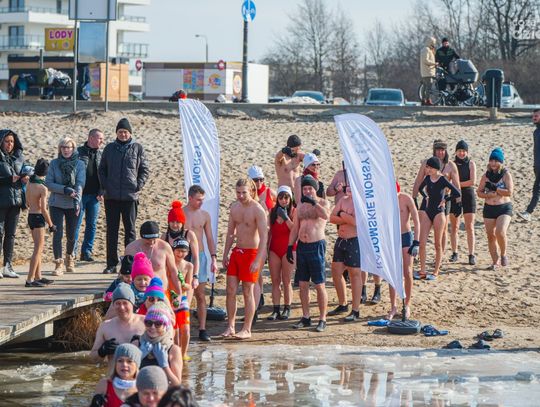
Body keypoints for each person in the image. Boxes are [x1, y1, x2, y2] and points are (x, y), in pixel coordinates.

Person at [99, 118, 150, 274]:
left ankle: (129, 264)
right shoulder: (109, 148)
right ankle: (111, 264)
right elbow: (102, 169)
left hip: (130, 197)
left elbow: (144, 170)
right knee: (112, 231)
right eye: (120, 132)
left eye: (125, 132)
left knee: (130, 231)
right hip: (111, 197)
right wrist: (106, 186)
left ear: (130, 133)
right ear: (117, 133)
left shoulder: (137, 148)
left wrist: (138, 185)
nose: (123, 134)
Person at [222, 178, 268, 339]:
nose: (240, 196)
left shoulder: (258, 209)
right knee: (230, 290)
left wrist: (258, 260)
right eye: (238, 192)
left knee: (248, 290)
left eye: (244, 193)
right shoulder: (234, 207)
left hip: (251, 253)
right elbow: (230, 233)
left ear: (252, 191)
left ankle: (247, 329)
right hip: (237, 252)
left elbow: (264, 237)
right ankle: (231, 326)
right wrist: (225, 254)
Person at [287, 175, 331, 332]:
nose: (307, 191)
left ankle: (322, 318)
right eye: (304, 188)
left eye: (309, 188)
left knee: (319, 284)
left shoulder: (323, 203)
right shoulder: (300, 205)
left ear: (315, 189)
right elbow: (295, 228)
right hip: (302, 247)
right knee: (303, 284)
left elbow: (326, 216)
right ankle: (306, 317)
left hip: (316, 245)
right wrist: (290, 246)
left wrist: (313, 202)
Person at [182, 185, 218, 342]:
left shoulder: (204, 215)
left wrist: (213, 258)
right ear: (190, 198)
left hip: (200, 256)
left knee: (200, 294)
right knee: (183, 294)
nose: (201, 203)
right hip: (183, 256)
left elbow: (209, 238)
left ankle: (202, 329)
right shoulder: (181, 214)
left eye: (202, 200)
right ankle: (184, 327)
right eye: (198, 200)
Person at [45, 137, 86, 275]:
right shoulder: (54, 163)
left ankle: (70, 258)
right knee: (57, 234)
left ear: (73, 149)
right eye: (63, 147)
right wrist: (64, 189)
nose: (66, 150)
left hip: (73, 203)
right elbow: (48, 183)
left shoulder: (80, 164)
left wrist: (77, 201)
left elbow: (80, 184)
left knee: (71, 235)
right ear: (60, 149)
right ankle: (58, 263)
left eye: (68, 147)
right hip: (56, 203)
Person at [416, 157, 461, 280]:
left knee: (437, 244)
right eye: (427, 167)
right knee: (422, 243)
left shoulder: (442, 179)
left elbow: (457, 193)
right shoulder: (427, 178)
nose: (428, 169)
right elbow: (420, 188)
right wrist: (425, 197)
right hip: (428, 212)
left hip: (439, 213)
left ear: (436, 168)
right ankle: (422, 271)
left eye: (430, 167)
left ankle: (436, 271)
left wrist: (445, 200)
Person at [413, 140, 460, 257]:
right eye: (438, 150)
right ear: (434, 151)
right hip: (428, 198)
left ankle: (440, 256)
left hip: (444, 199)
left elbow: (457, 186)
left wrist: (458, 203)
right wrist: (414, 197)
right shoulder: (426, 163)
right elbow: (418, 181)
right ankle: (419, 253)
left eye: (442, 150)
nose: (440, 152)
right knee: (422, 225)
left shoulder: (450, 165)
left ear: (446, 151)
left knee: (443, 229)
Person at [328, 185, 363, 322]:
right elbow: (331, 218)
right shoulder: (343, 200)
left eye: (351, 186)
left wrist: (342, 214)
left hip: (354, 240)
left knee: (355, 274)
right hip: (341, 239)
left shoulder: (359, 202)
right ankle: (343, 304)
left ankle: (355, 310)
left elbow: (356, 222)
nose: (348, 188)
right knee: (336, 271)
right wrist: (346, 218)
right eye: (347, 186)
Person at [387, 182, 420, 320]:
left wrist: (416, 242)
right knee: (393, 272)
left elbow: (416, 221)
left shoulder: (406, 198)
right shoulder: (385, 200)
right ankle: (393, 306)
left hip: (406, 236)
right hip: (392, 237)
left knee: (407, 271)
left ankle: (407, 304)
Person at [90, 283, 145, 365]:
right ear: (113, 305)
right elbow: (93, 359)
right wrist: (102, 351)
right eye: (118, 303)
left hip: (140, 372)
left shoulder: (146, 322)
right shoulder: (105, 326)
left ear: (132, 303)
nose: (122, 307)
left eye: (125, 303)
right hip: (114, 372)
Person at [126, 221, 182, 301]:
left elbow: (173, 270)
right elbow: (125, 273)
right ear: (142, 237)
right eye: (148, 240)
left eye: (154, 239)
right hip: (137, 294)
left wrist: (179, 292)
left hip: (161, 292)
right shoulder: (131, 248)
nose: (152, 242)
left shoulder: (164, 247)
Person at [477, 148, 514, 270]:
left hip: (504, 208)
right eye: (491, 160)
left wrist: (496, 189)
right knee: (490, 236)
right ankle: (495, 261)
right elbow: (479, 192)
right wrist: (488, 195)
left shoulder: (506, 174)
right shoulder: (486, 176)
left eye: (496, 161)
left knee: (500, 232)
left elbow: (509, 192)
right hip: (489, 209)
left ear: (500, 162)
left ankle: (503, 254)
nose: (493, 163)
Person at [0, 129, 28, 278]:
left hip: (16, 201)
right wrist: (8, 180)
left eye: (12, 141)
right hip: (1, 201)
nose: (9, 144)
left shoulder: (19, 157)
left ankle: (7, 266)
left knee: (11, 235)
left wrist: (26, 177)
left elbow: (28, 170)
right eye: (6, 141)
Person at [74, 128, 104, 262]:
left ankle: (86, 252)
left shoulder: (101, 154)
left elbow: (105, 174)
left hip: (95, 196)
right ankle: (72, 252)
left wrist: (102, 191)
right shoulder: (78, 152)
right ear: (91, 138)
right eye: (99, 138)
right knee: (76, 224)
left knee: (92, 225)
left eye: (102, 139)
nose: (101, 141)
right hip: (80, 195)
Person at [24, 159, 55, 287]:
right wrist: (51, 224)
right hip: (38, 218)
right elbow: (43, 209)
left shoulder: (29, 182)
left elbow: (27, 202)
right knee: (38, 249)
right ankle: (29, 279)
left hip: (30, 216)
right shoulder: (43, 188)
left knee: (38, 248)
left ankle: (38, 276)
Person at [267, 185, 295, 321]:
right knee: (275, 281)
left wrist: (286, 217)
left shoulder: (293, 211)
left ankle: (287, 307)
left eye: (286, 198)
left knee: (287, 280)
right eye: (281, 197)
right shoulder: (272, 212)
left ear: (290, 199)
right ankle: (276, 309)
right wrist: (265, 250)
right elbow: (269, 232)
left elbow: (295, 230)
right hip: (274, 249)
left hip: (289, 248)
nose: (284, 200)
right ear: (277, 199)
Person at [137, 302, 182, 386]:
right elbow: (126, 378)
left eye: (158, 324)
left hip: (163, 392)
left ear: (166, 326)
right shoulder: (136, 342)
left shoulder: (173, 350)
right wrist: (137, 359)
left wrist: (165, 366)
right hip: (140, 391)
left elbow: (177, 385)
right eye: (149, 323)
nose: (152, 327)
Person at [449, 140, 477, 265]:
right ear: (456, 152)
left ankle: (471, 254)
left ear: (467, 152)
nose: (462, 153)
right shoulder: (452, 164)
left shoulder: (471, 163)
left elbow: (472, 181)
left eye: (464, 151)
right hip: (455, 196)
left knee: (469, 226)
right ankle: (454, 252)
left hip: (468, 195)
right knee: (454, 226)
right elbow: (448, 180)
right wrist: (455, 187)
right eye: (459, 151)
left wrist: (456, 184)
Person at [171, 238, 193, 358]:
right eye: (178, 251)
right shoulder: (169, 264)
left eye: (183, 251)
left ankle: (183, 355)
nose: (180, 254)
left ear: (188, 252)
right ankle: (175, 354)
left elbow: (189, 286)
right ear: (173, 250)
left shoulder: (189, 266)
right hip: (170, 298)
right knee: (174, 329)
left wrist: (184, 284)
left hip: (182, 299)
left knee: (186, 330)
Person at [517, 109, 540, 222]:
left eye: (536, 116)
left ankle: (528, 212)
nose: (534, 118)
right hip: (537, 166)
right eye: (533, 116)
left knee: (536, 189)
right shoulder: (536, 132)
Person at [420, 36, 437, 106]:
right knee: (428, 87)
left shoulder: (427, 49)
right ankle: (427, 100)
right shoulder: (426, 50)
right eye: (433, 43)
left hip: (427, 72)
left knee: (425, 87)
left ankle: (423, 100)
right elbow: (426, 60)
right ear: (431, 42)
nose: (434, 44)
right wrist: (434, 64)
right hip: (428, 72)